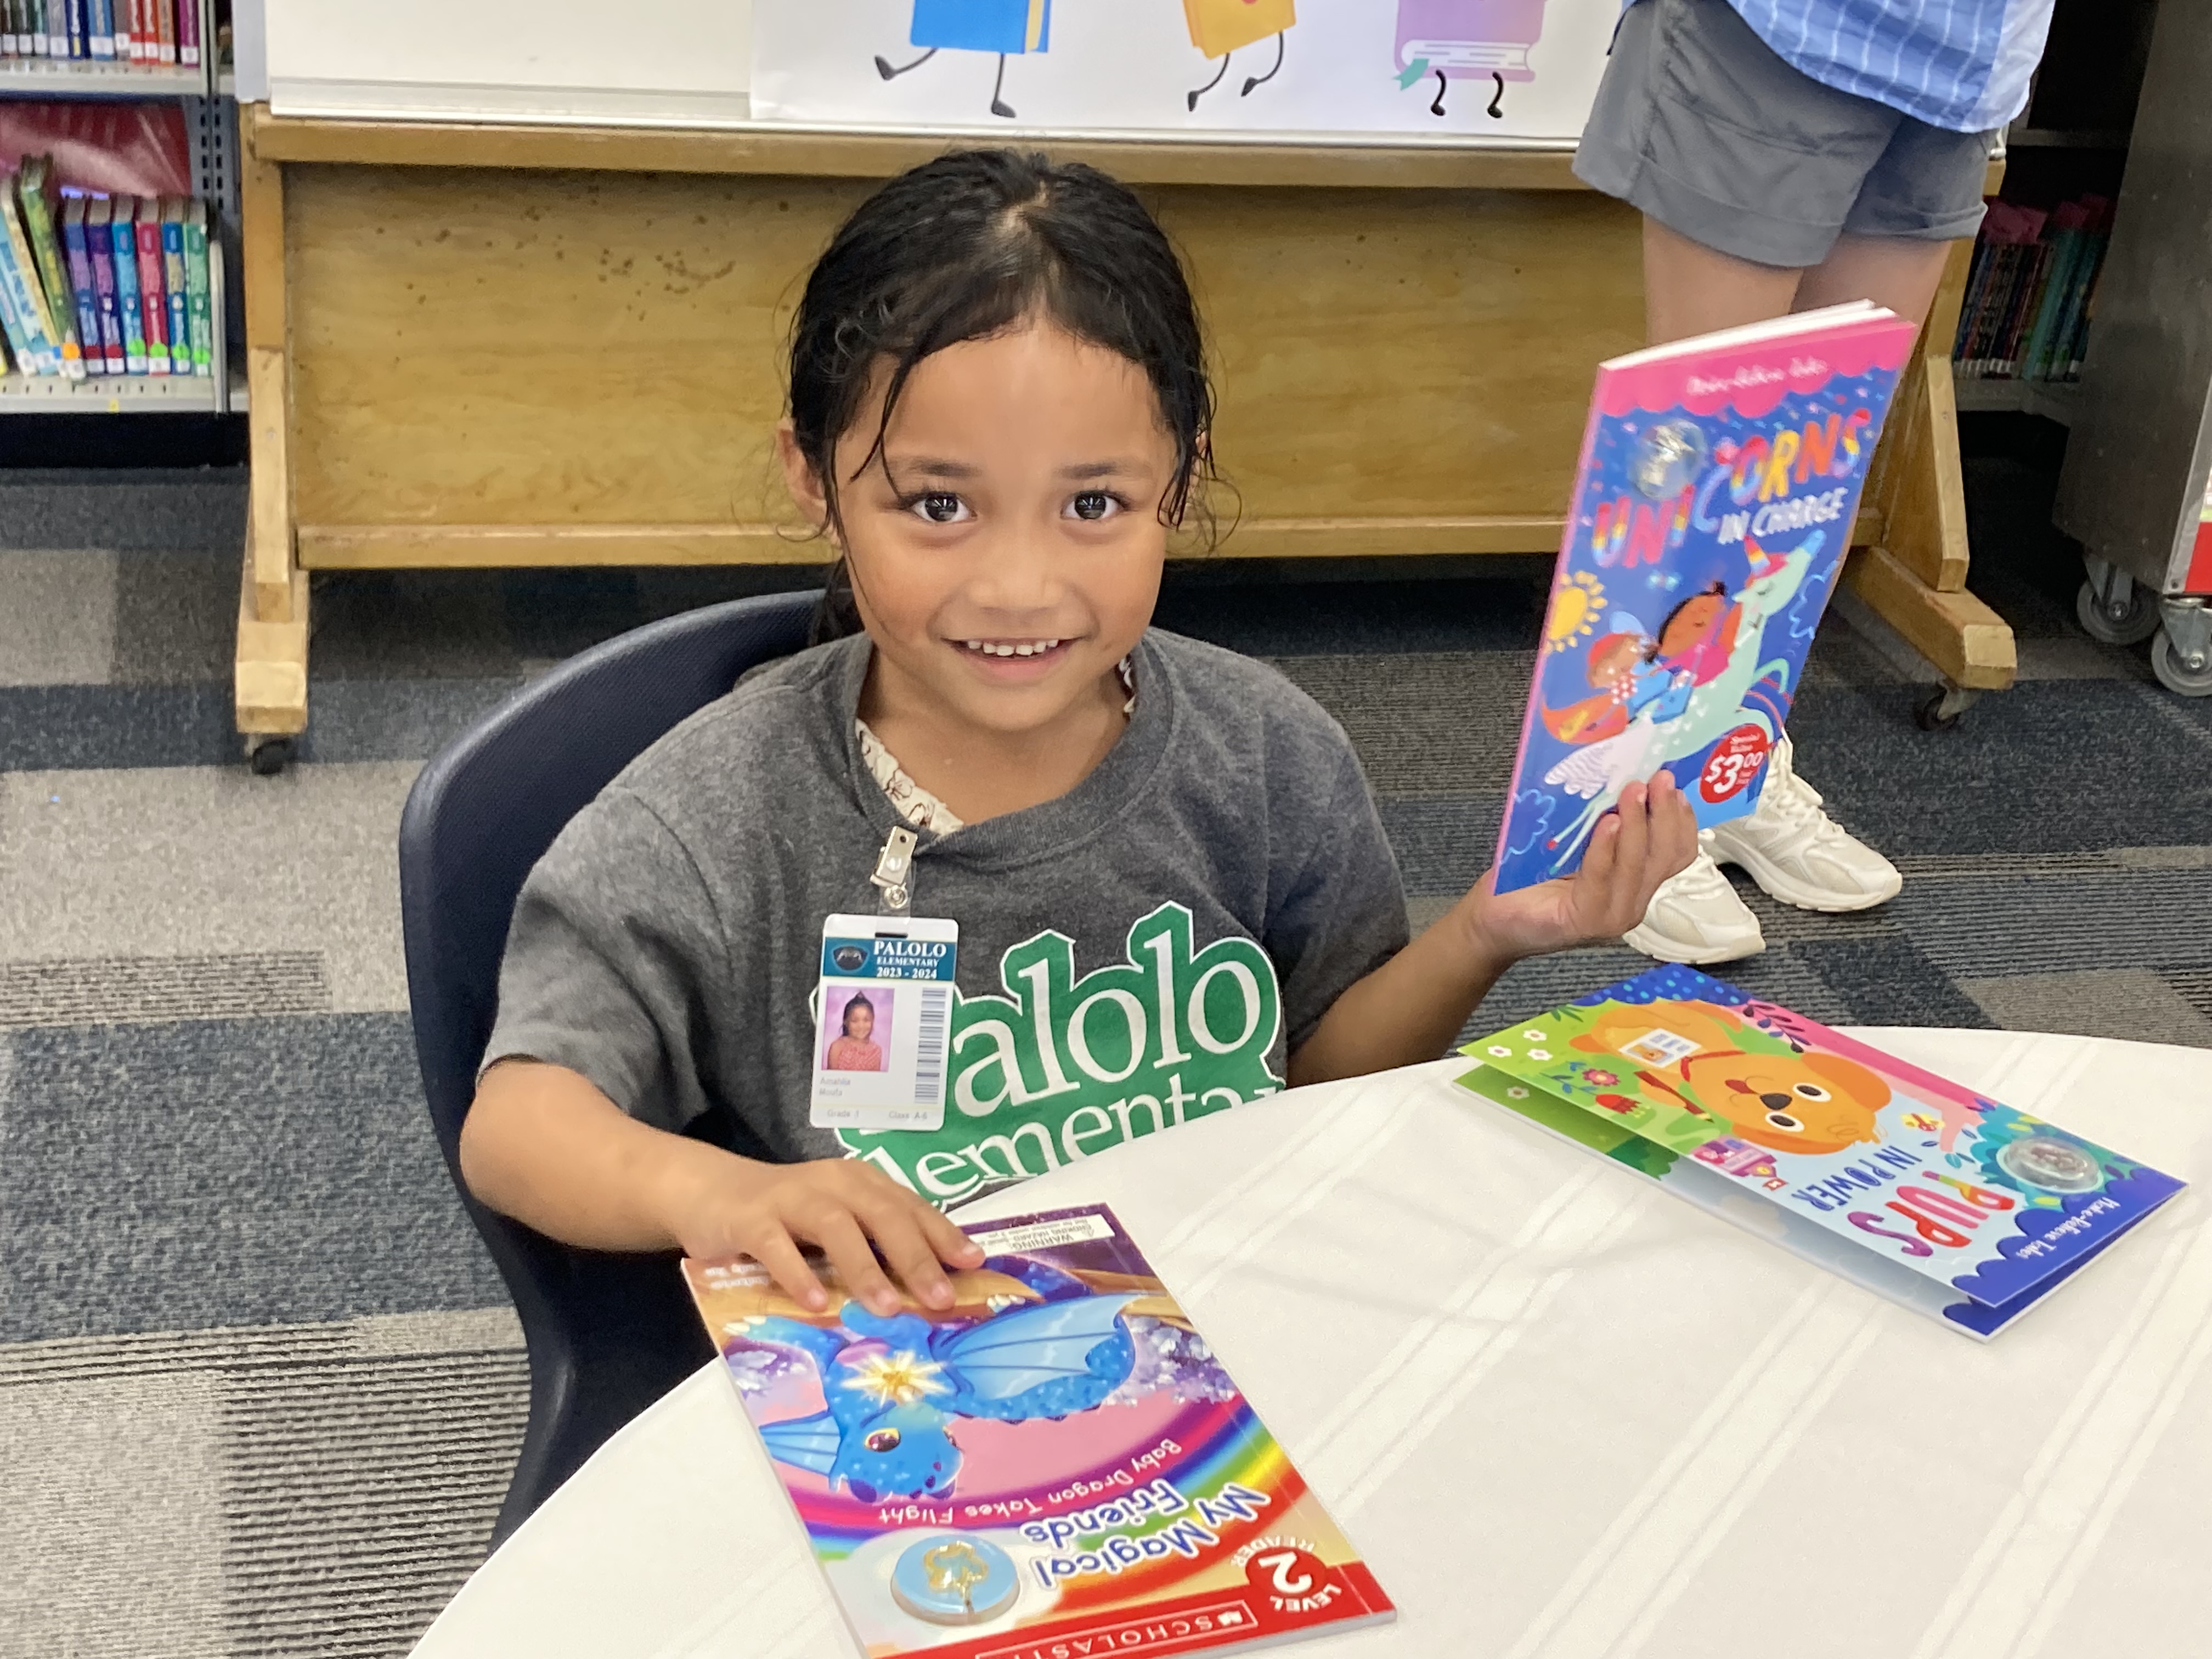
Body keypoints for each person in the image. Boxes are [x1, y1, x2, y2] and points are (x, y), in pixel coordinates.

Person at [459, 150, 1698, 1320]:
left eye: (1094, 504)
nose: (1018, 585)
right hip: (934, 1416)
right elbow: (519, 1122)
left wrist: (1485, 934)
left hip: (1260, 1333)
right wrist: (725, 1194)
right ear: (812, 476)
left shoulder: (1267, 754)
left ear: (1182, 477)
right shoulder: (722, 806)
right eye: (938, 504)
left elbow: (1319, 1090)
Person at [1573, 0, 2054, 964]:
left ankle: (1734, 764)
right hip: (1782, 29)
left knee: (1821, 468)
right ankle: (1635, 801)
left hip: (1964, 60)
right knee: (1712, 453)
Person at [824, 993, 885, 1073]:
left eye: (866, 1020)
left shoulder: (876, 1051)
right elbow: (832, 1080)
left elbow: (874, 1082)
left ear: (873, 1021)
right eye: (855, 1021)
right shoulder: (837, 1047)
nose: (861, 1026)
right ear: (845, 1022)